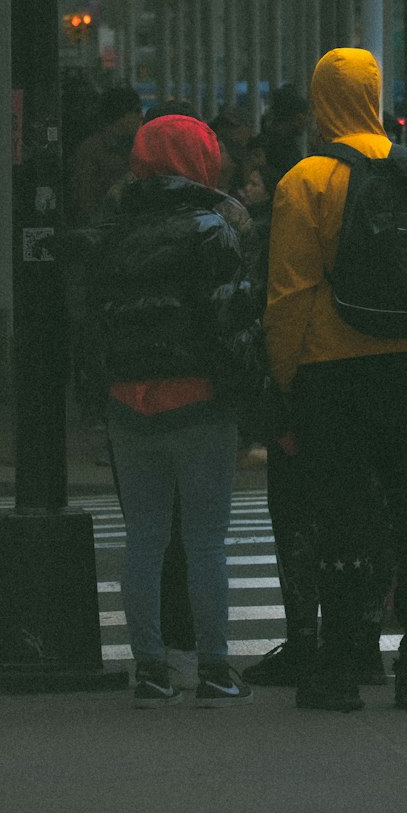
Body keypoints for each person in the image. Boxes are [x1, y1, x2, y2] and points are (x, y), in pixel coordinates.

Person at [265, 47, 407, 713]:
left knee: (342, 517)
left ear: (322, 99)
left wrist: (288, 375)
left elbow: (290, 296)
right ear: (376, 96)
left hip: (331, 372)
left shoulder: (306, 180)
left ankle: (345, 663)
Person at [85, 114, 262, 709]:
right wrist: (253, 400)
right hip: (199, 400)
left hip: (127, 401)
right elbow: (232, 325)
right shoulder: (214, 226)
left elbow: (90, 322)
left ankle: (152, 671)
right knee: (206, 541)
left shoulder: (109, 227)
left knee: (144, 539)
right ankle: (214, 669)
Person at [68, 85, 144, 224]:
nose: (141, 116)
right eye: (136, 110)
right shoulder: (91, 150)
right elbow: (86, 201)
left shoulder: (138, 146)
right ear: (121, 115)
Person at [262, 85, 310, 178]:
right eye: (308, 115)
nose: (308, 121)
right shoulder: (288, 151)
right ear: (298, 118)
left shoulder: (265, 142)